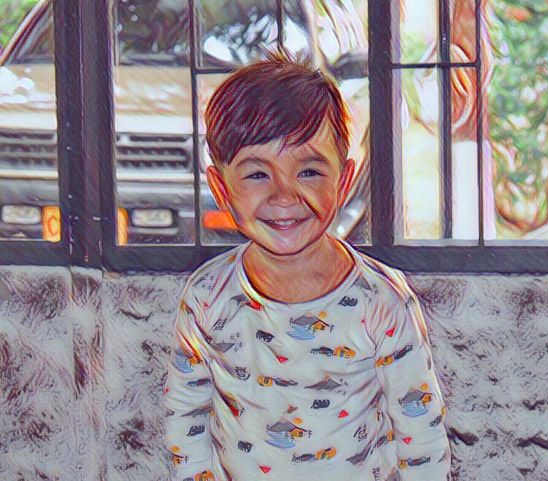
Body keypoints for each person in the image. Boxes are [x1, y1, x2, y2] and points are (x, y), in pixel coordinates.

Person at [163, 48, 450, 481]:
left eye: (310, 172)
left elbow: (422, 438)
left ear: (344, 181)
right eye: (257, 174)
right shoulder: (206, 297)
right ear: (221, 189)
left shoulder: (383, 301)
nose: (284, 196)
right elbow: (185, 420)